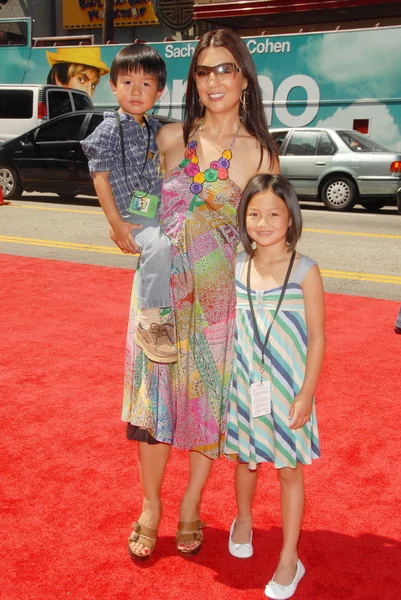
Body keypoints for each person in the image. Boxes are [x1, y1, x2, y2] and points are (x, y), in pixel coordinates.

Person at [122, 29, 279, 561]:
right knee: (153, 408)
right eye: (205, 70)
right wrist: (130, 227)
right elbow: (141, 200)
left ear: (244, 79)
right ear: (194, 80)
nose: (215, 80)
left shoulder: (261, 155)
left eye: (225, 69)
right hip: (160, 296)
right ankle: (150, 506)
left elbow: (268, 236)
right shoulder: (169, 137)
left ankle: (191, 504)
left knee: (202, 410)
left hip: (218, 308)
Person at [225, 174, 325, 599]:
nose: (262, 222)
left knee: (288, 469)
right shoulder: (237, 265)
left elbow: (319, 336)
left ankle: (290, 557)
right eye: (254, 213)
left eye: (273, 214)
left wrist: (306, 392)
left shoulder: (305, 270)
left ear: (290, 218)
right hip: (244, 385)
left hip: (287, 390)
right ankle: (243, 518)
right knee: (246, 460)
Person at [81, 44, 177, 363]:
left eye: (146, 84)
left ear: (160, 91)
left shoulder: (153, 128)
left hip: (153, 212)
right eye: (127, 82)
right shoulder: (110, 127)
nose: (136, 91)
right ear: (113, 85)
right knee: (160, 246)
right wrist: (116, 224)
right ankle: (151, 322)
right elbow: (100, 178)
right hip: (131, 218)